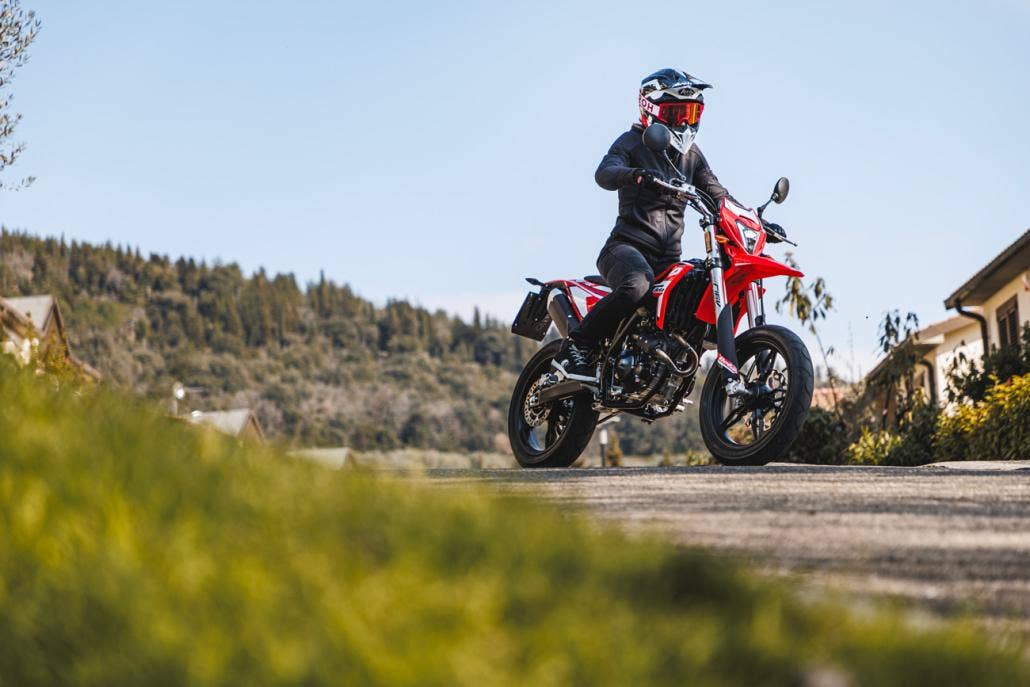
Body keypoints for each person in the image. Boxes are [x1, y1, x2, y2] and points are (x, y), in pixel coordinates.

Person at [552, 68, 733, 382]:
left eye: (690, 113)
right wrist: (635, 175)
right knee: (638, 284)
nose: (684, 122)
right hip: (625, 249)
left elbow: (718, 194)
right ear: (652, 109)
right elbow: (605, 173)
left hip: (668, 260)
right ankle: (577, 346)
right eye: (676, 113)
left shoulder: (692, 156)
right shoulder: (632, 142)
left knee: (697, 287)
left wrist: (755, 220)